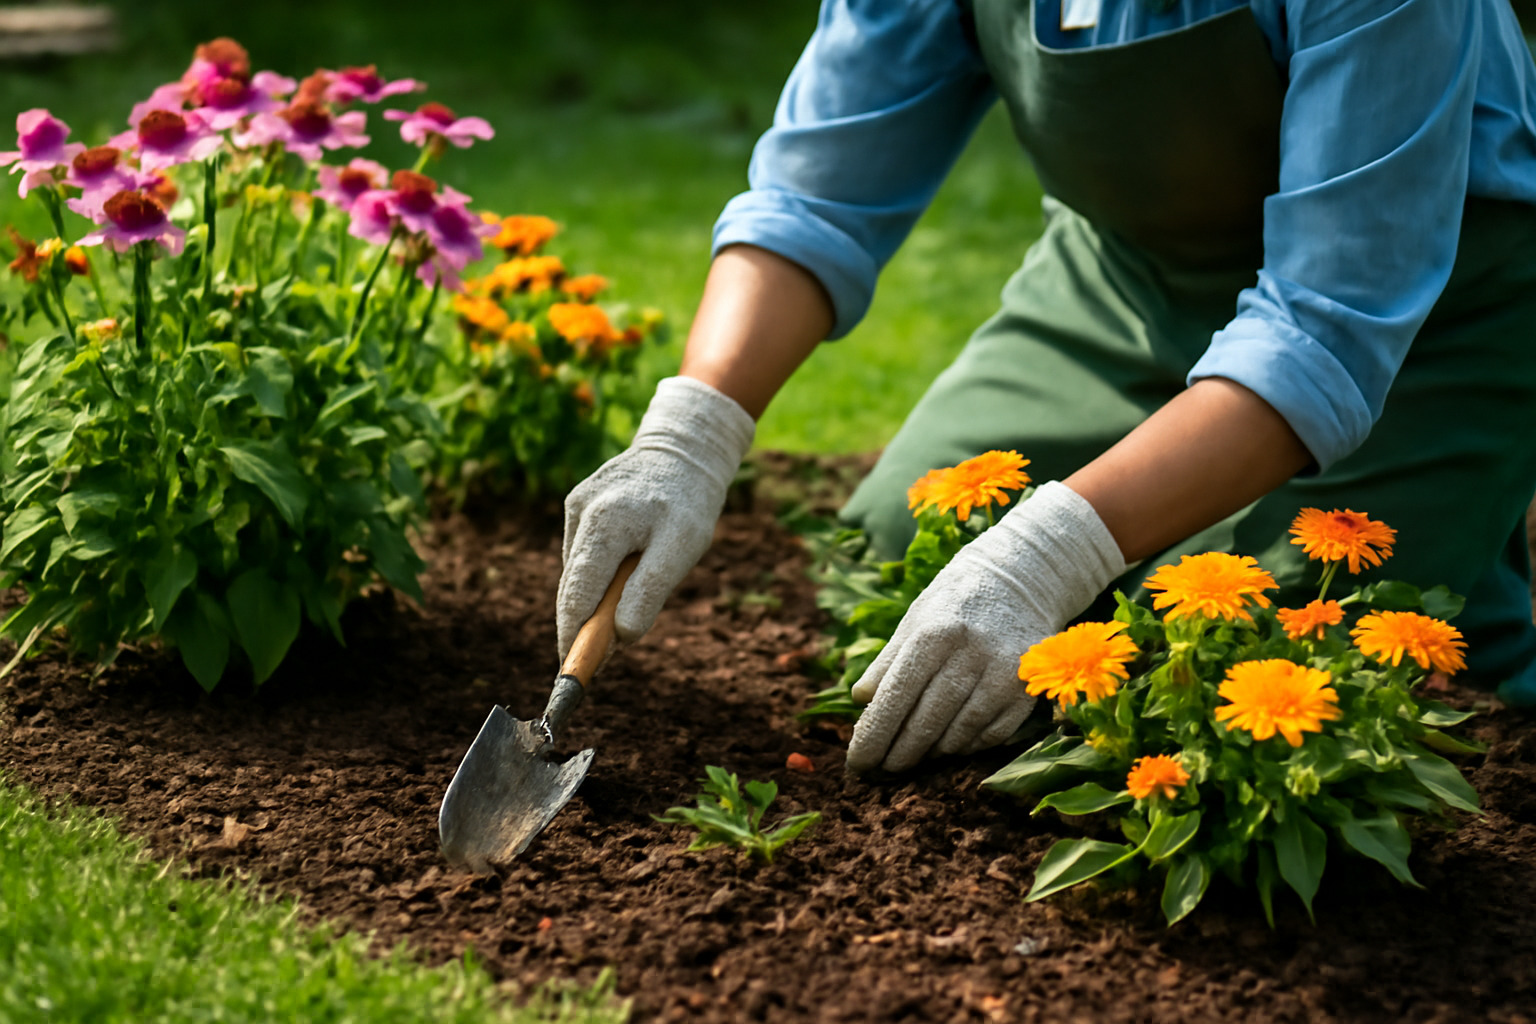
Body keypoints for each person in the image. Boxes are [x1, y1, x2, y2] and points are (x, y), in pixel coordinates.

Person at [556, 0, 1536, 774]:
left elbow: (1325, 324)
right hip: (1129, 282)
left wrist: (1048, 556)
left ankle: (1488, 636)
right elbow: (817, 192)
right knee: (900, 556)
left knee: (1230, 681)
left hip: (1420, 319)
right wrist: (692, 432)